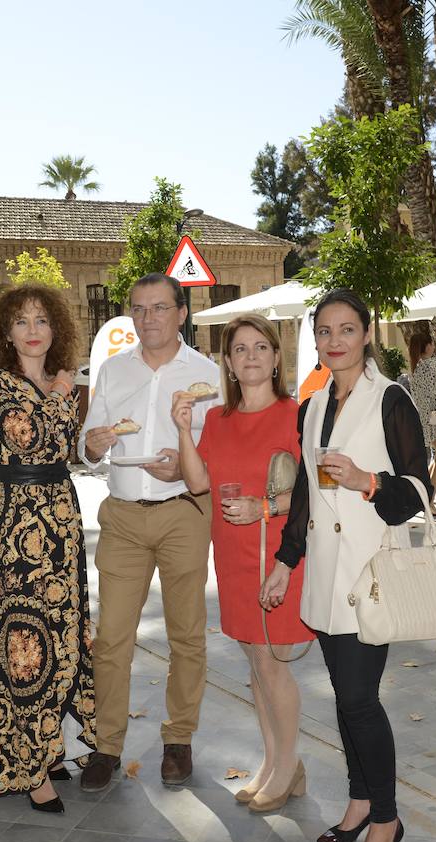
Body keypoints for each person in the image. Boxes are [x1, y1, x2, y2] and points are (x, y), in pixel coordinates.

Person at [261, 289, 432, 842]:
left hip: (370, 574)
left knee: (360, 700)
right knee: (345, 698)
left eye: (347, 330)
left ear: (366, 335)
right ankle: (360, 802)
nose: (335, 341)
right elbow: (305, 495)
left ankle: (386, 820)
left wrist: (366, 481)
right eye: (325, 331)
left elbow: (418, 491)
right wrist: (285, 561)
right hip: (325, 578)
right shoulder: (310, 407)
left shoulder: (391, 400)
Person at [77, 273, 221, 791]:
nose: (148, 318)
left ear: (181, 313)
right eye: (139, 309)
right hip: (123, 516)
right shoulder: (112, 371)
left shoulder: (207, 374)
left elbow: (218, 452)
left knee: (187, 635)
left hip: (184, 511)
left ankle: (178, 739)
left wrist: (184, 467)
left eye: (159, 307)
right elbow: (90, 448)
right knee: (112, 637)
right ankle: (106, 746)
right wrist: (92, 446)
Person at [173, 314, 312, 814]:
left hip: (279, 555)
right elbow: (197, 483)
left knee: (273, 664)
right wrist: (184, 431)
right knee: (255, 665)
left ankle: (287, 764)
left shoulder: (297, 415)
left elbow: (311, 494)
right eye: (239, 350)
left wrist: (265, 508)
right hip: (231, 555)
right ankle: (276, 763)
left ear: (276, 358)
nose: (250, 356)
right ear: (227, 363)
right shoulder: (217, 420)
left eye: (260, 347)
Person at [0, 283, 96, 814]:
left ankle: (50, 749)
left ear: (56, 330)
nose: (32, 330)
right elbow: (25, 438)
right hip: (18, 521)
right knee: (23, 638)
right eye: (21, 321)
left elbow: (65, 448)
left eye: (42, 321)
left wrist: (95, 437)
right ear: (6, 331)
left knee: (63, 630)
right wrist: (59, 397)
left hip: (62, 518)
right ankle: (29, 771)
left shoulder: (60, 384)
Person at [406, 332, 436, 516]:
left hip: (426, 417)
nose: (434, 346)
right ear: (427, 346)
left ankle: (422, 496)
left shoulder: (415, 369)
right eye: (431, 344)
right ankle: (429, 502)